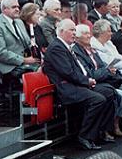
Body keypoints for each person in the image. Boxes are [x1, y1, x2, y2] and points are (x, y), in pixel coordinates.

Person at [44, 19, 115, 150]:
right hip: (66, 87)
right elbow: (67, 73)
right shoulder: (56, 48)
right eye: (71, 30)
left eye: (75, 30)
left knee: (109, 91)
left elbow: (75, 70)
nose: (74, 33)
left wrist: (87, 80)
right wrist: (86, 81)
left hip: (76, 83)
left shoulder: (65, 46)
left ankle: (101, 130)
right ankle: (85, 135)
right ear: (61, 31)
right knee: (98, 99)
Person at [72, 24, 122, 138]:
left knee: (118, 92)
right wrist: (106, 71)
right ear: (77, 38)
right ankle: (102, 129)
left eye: (89, 33)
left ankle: (109, 127)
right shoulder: (76, 51)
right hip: (88, 83)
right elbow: (90, 74)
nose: (89, 36)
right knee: (112, 93)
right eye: (85, 34)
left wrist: (107, 71)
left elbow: (101, 66)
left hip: (101, 80)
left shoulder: (90, 49)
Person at [0, 0, 40, 78]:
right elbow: (0, 53)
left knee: (50, 66)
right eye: (13, 7)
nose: (17, 9)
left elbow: (29, 43)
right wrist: (24, 60)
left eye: (18, 7)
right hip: (10, 66)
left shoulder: (19, 22)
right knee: (42, 71)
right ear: (4, 9)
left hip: (27, 60)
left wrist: (38, 56)